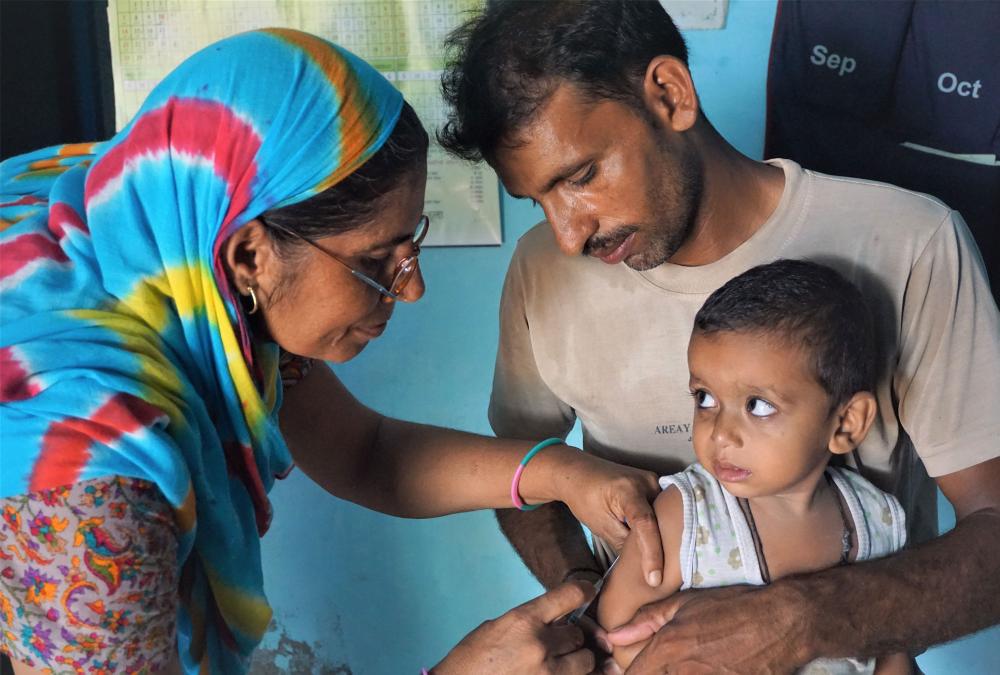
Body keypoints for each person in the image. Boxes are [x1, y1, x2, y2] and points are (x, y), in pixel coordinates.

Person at [0, 28, 666, 675]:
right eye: (378, 262)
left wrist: (561, 471)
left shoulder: (163, 226)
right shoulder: (90, 493)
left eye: (413, 243)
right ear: (251, 255)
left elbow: (363, 451)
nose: (412, 289)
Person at [438, 0, 1000, 672]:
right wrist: (593, 600)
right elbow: (520, 466)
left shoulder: (911, 243)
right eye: (539, 200)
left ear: (670, 94)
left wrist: (806, 619)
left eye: (581, 176)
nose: (568, 233)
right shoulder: (542, 271)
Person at [597, 259, 911, 674]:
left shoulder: (878, 522)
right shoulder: (688, 517)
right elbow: (616, 636)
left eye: (758, 405)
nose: (721, 434)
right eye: (705, 398)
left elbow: (892, 649)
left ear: (846, 423)